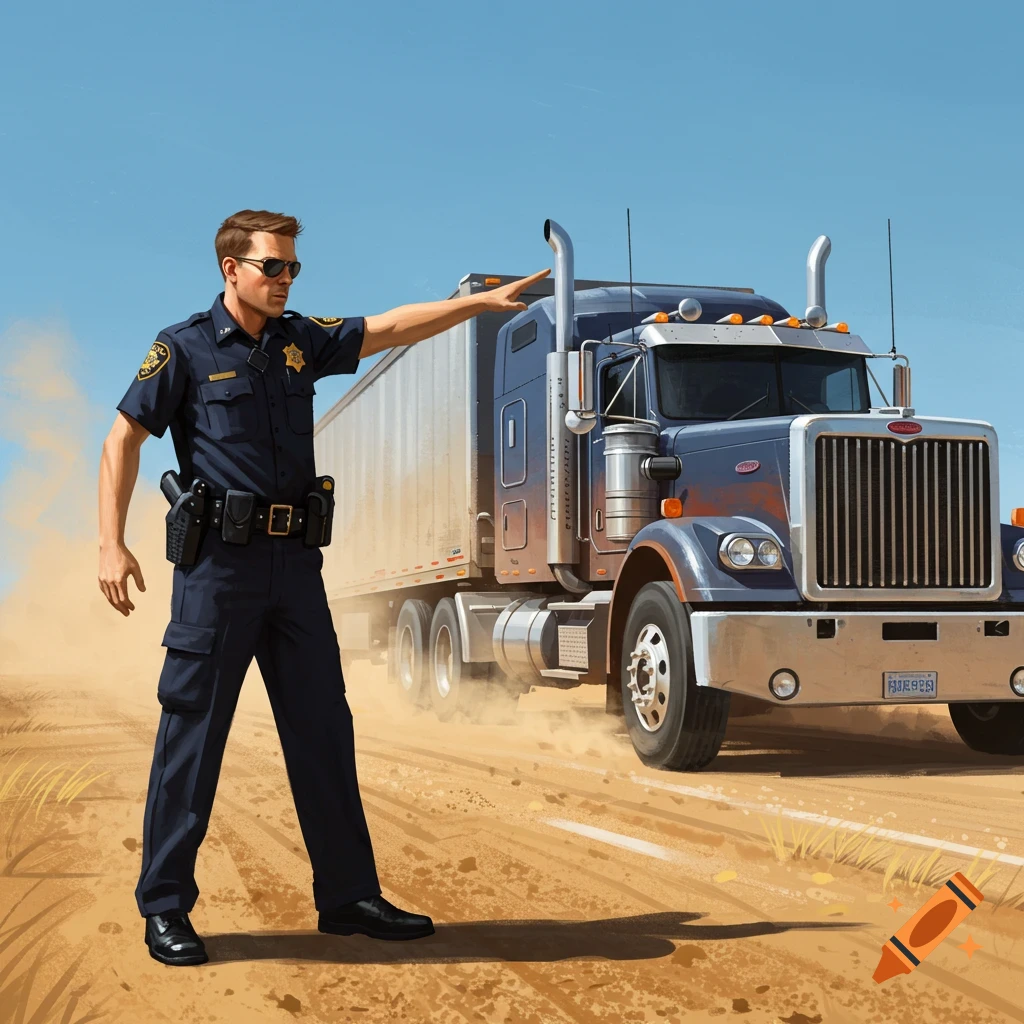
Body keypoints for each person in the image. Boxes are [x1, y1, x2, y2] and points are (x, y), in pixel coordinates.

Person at [97, 208, 548, 967]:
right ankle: (166, 906)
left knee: (323, 735)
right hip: (219, 574)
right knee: (191, 740)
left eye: (292, 268)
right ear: (230, 269)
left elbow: (394, 327)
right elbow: (122, 437)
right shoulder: (183, 348)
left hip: (297, 572)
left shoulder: (301, 340)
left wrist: (475, 304)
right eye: (272, 267)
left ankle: (347, 898)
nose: (285, 281)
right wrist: (110, 542)